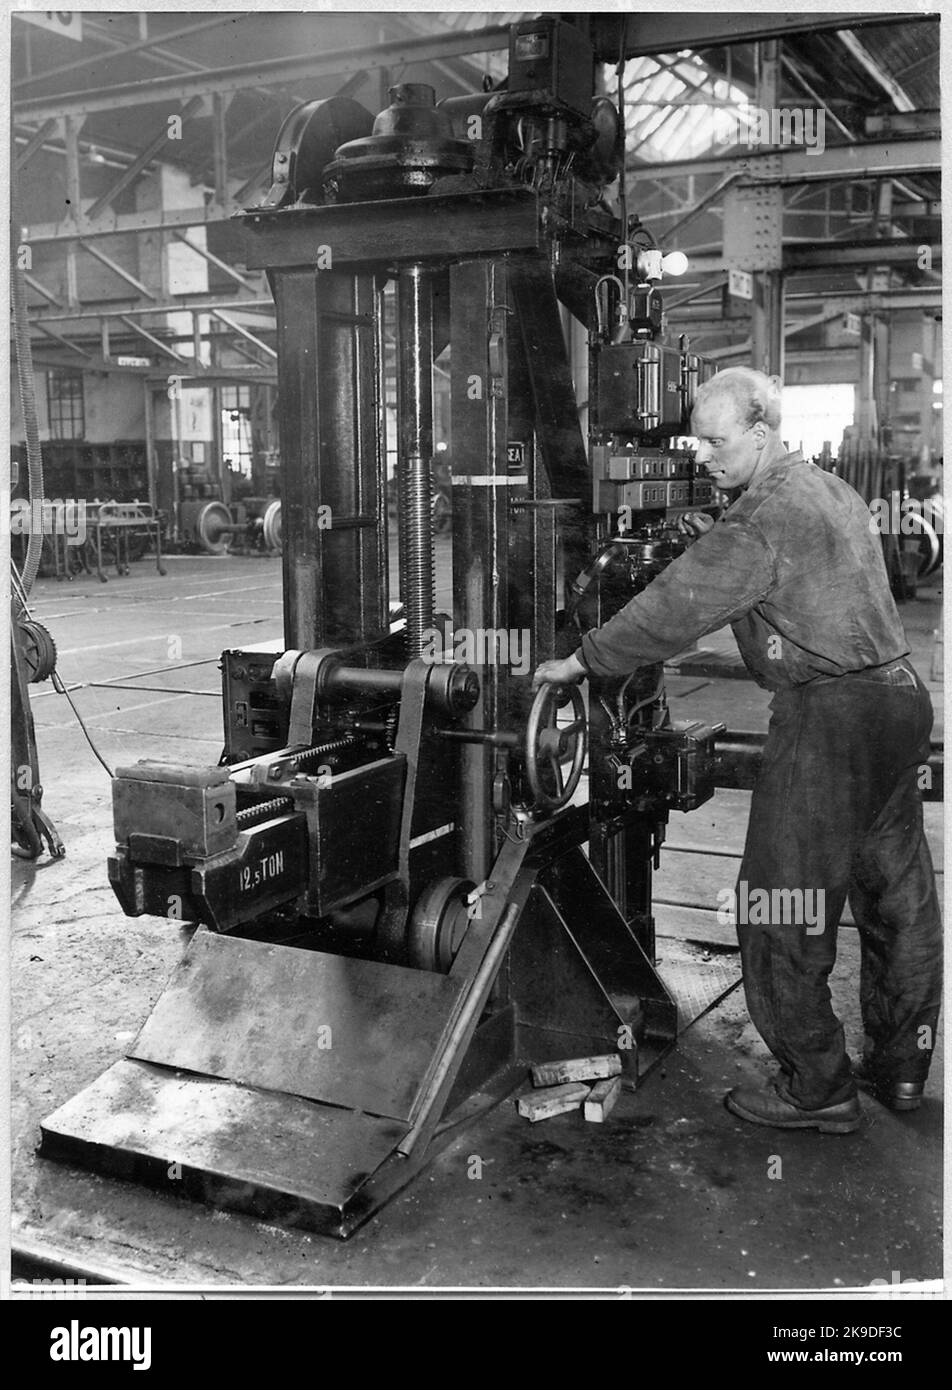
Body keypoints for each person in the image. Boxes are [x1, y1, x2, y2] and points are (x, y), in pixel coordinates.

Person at [532, 367, 942, 1133]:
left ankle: (817, 1089)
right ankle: (902, 1068)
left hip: (831, 718)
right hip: (897, 700)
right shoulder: (831, 491)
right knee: (895, 894)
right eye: (698, 442)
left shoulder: (760, 519)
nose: (705, 458)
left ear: (760, 433)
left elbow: (676, 608)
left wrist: (583, 659)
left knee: (778, 898)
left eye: (717, 443)